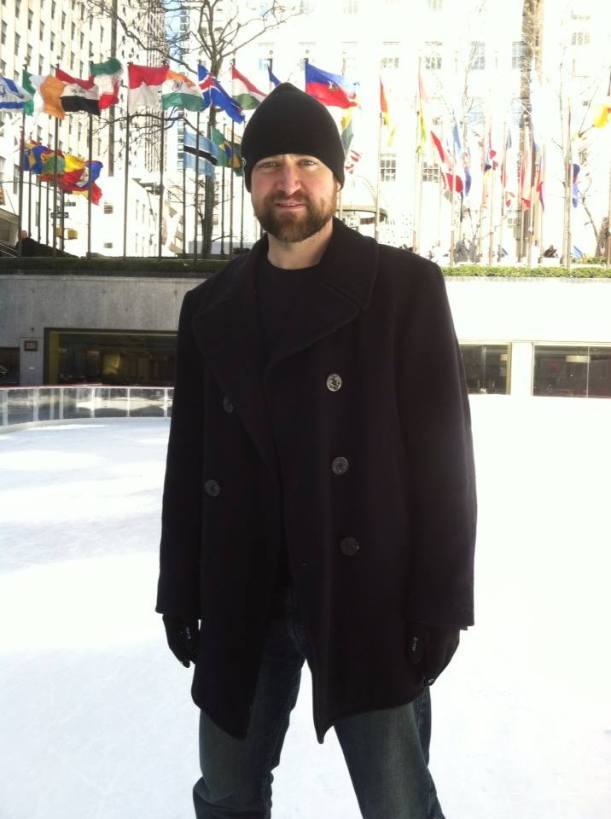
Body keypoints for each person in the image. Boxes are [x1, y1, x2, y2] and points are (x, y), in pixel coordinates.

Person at [156, 83, 477, 819]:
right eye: (269, 165)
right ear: (248, 181)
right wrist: (179, 587)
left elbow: (444, 463)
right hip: (244, 591)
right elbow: (188, 463)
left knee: (397, 801)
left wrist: (440, 602)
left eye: (307, 162)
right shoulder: (209, 307)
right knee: (227, 790)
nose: (288, 181)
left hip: (367, 594)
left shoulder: (404, 289)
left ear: (336, 177)